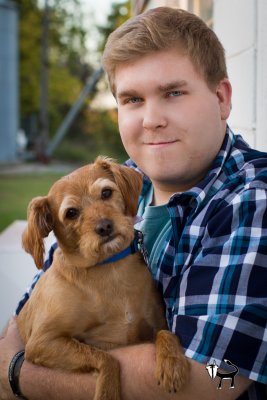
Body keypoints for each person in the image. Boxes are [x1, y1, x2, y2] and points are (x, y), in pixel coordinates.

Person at [0, 6, 266, 400]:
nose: (151, 119)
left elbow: (221, 378)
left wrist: (18, 374)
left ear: (222, 98)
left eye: (173, 93)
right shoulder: (120, 184)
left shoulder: (252, 200)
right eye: (133, 100)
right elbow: (32, 313)